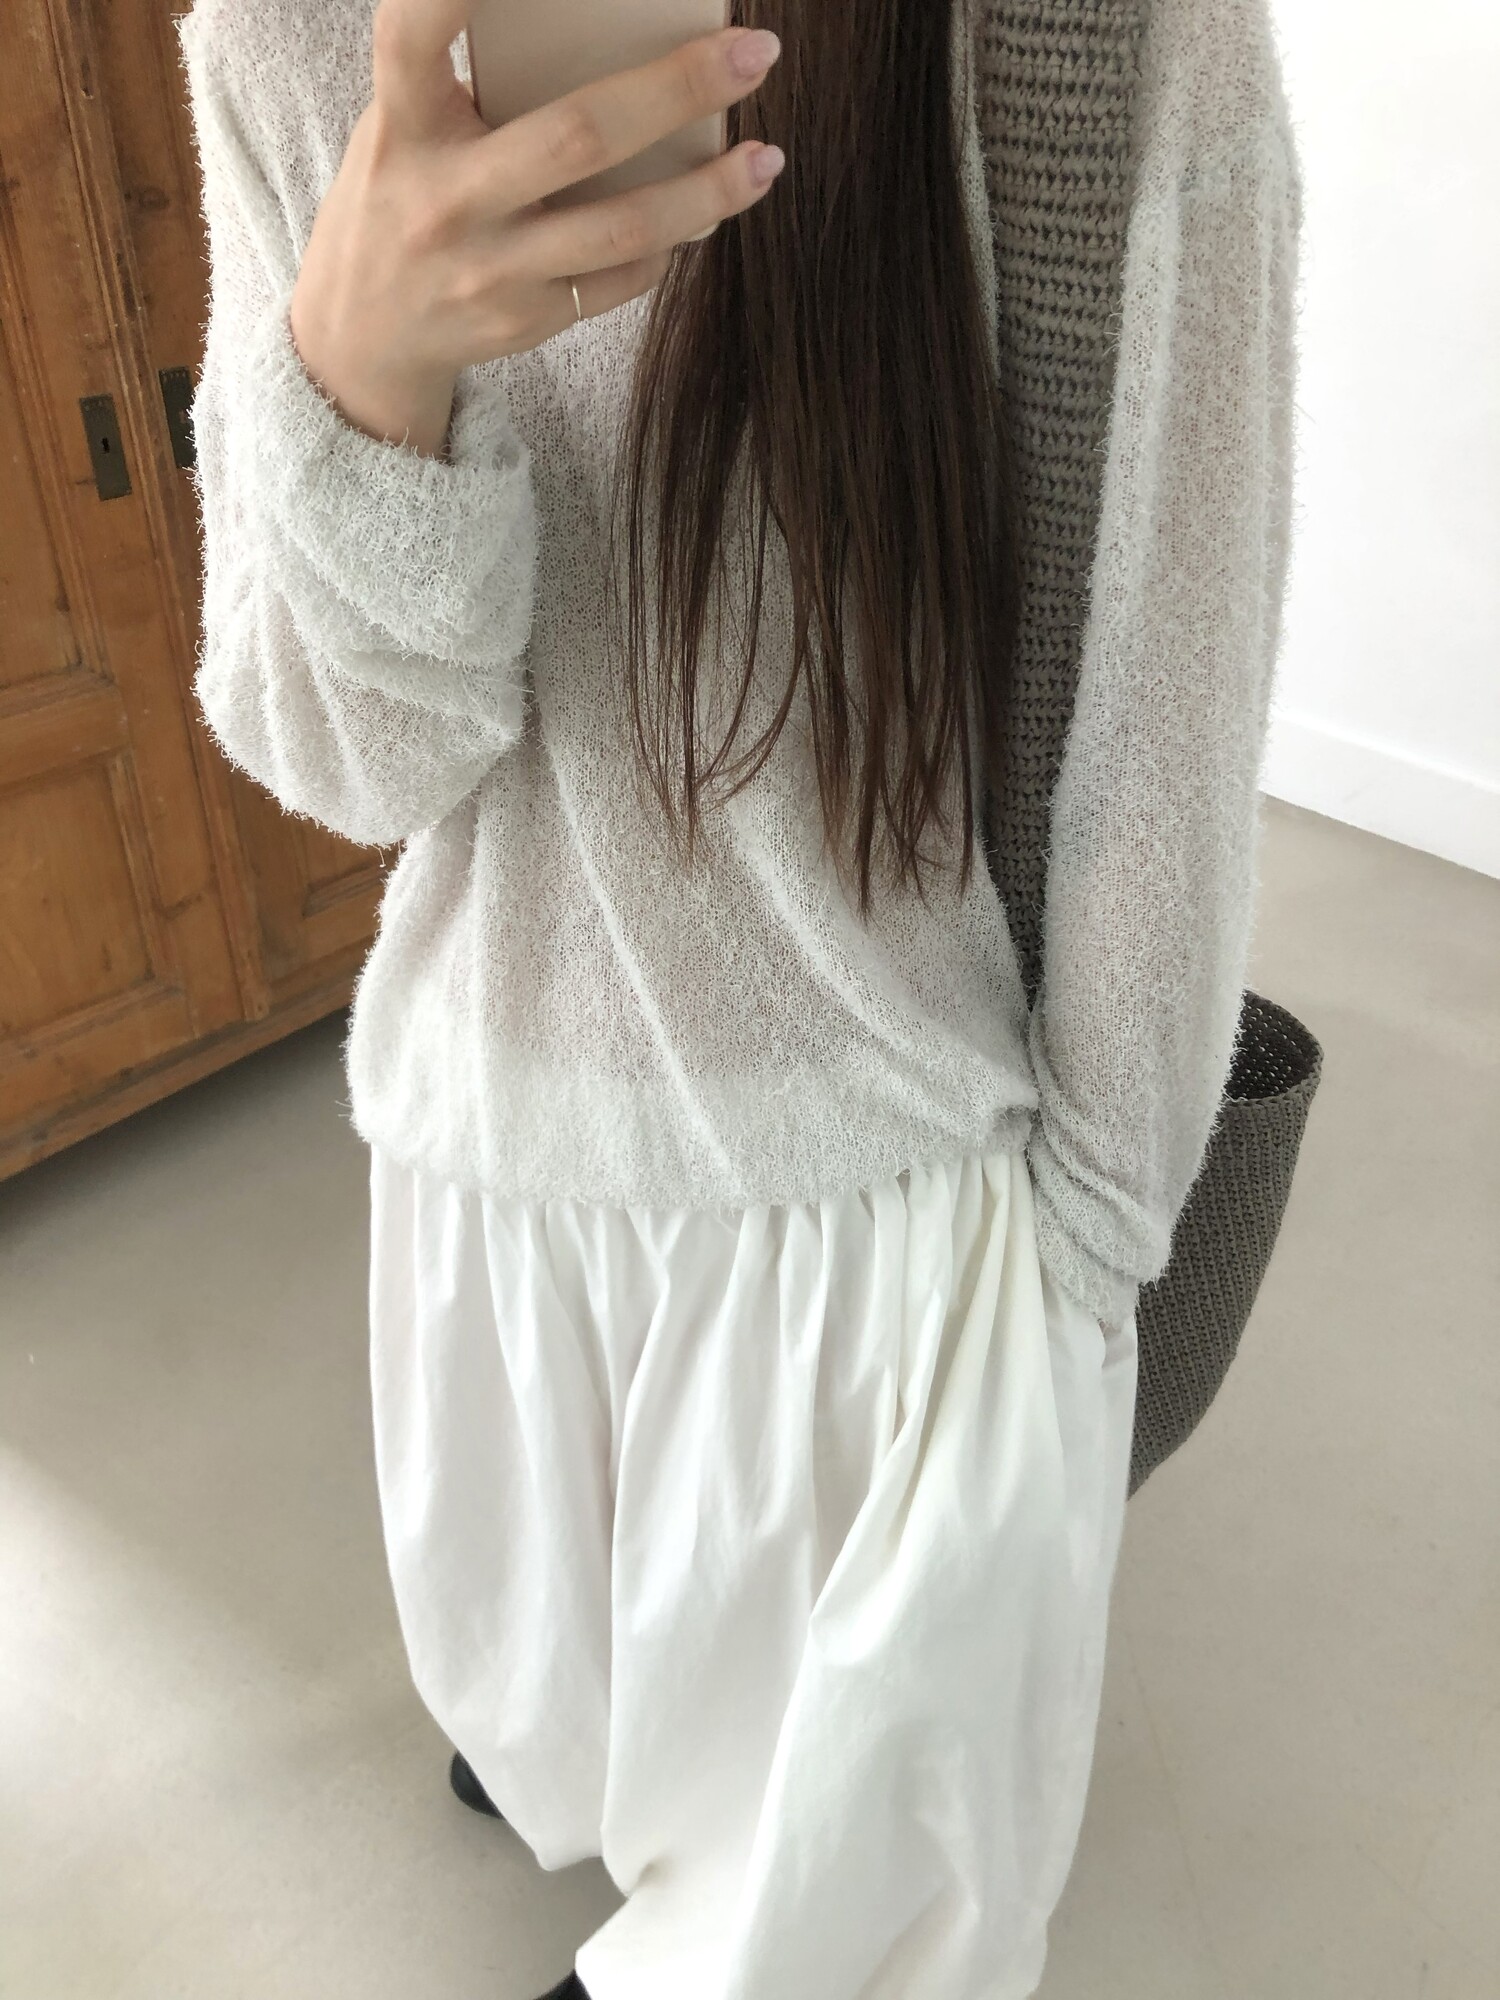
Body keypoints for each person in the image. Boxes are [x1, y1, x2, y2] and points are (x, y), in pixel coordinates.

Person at [176, 0, 1300, 1991]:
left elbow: (1168, 722)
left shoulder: (1101, 34)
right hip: (482, 1199)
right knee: (567, 1744)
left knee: (814, 1935)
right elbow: (358, 765)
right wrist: (359, 380)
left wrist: (1090, 1249)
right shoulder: (284, 29)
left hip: (882, 1240)